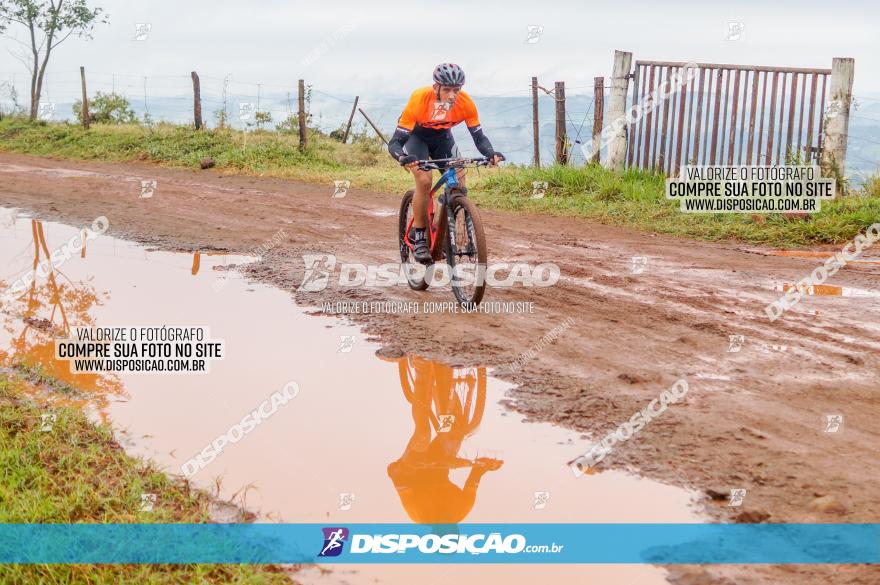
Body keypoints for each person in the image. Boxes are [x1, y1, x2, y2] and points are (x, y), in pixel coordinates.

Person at [388, 63, 504, 264]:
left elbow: (479, 137)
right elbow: (395, 142)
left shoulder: (465, 103)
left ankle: (441, 231)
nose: (452, 95)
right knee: (424, 181)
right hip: (417, 137)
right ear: (436, 88)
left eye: (456, 90)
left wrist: (490, 153)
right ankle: (421, 236)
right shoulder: (419, 100)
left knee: (458, 179)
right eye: (447, 90)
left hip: (442, 138)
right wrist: (402, 157)